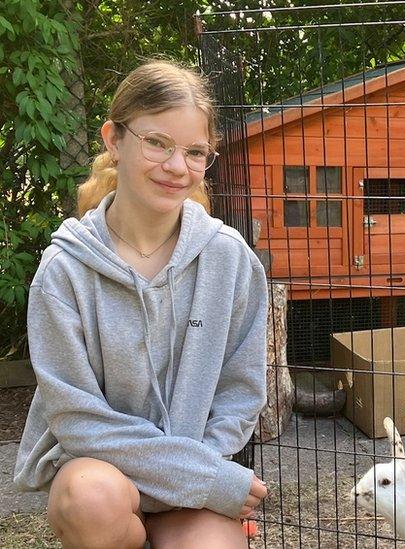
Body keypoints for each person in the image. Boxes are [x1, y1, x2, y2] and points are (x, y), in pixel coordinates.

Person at [13, 60, 269, 548]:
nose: (177, 167)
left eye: (195, 152)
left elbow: (240, 392)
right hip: (98, 473)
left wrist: (194, 476)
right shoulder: (64, 270)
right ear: (115, 139)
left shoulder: (230, 259)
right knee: (91, 499)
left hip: (195, 466)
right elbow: (76, 418)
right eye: (157, 143)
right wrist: (206, 479)